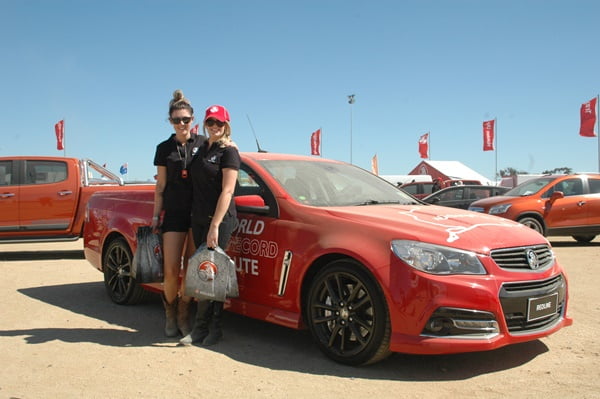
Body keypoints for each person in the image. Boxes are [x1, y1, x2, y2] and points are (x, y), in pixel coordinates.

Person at [180, 104, 240, 346]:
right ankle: (210, 328)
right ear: (204, 123)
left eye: (219, 123)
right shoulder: (200, 148)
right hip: (198, 218)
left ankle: (204, 328)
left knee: (209, 272)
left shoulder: (229, 152)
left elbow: (227, 191)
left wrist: (215, 225)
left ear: (226, 125)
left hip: (219, 220)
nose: (214, 127)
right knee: (207, 273)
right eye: (210, 122)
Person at [152, 90, 205, 337]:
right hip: (173, 214)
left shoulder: (204, 144)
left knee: (191, 269)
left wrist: (233, 144)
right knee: (172, 269)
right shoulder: (163, 148)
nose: (181, 124)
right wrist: (155, 216)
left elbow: (224, 156)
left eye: (185, 119)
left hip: (197, 214)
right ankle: (170, 314)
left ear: (192, 119)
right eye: (176, 120)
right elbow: (160, 186)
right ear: (170, 122)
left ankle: (185, 314)